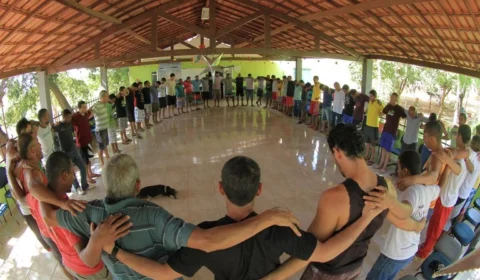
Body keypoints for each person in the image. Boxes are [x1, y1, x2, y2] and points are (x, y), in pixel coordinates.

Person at [98, 156, 383, 280]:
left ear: (220, 189)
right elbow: (328, 250)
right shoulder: (282, 229)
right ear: (259, 189)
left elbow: (162, 273)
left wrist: (115, 251)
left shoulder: (204, 237)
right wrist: (364, 219)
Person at [40, 153, 303, 279]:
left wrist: (44, 190)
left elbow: (48, 216)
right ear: (138, 186)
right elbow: (206, 241)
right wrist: (266, 218)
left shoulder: (88, 212)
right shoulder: (155, 217)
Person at [268, 124, 389, 280]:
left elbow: (309, 250)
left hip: (326, 274)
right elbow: (407, 219)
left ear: (337, 152)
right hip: (354, 270)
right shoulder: (386, 188)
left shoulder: (335, 198)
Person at [10, 134, 87, 275]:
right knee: (66, 259)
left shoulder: (26, 166)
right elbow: (33, 189)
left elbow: (21, 199)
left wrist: (9, 170)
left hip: (46, 226)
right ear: (32, 150)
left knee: (64, 257)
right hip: (50, 226)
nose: (41, 145)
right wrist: (62, 203)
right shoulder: (31, 173)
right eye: (38, 143)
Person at [35, 151, 113, 279]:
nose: (74, 175)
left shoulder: (43, 201)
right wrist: (97, 238)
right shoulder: (69, 211)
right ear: (64, 175)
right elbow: (88, 258)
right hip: (89, 270)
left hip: (70, 263)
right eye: (72, 171)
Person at [364, 150, 439, 280]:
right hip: (410, 250)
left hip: (395, 253)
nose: (397, 172)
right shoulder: (428, 189)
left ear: (405, 171)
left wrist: (387, 203)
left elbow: (403, 215)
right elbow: (439, 188)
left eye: (398, 168)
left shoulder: (411, 193)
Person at [416, 124, 470, 258]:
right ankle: (424, 247)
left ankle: (423, 253)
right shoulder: (461, 154)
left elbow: (457, 170)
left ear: (460, 137)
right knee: (432, 225)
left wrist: (448, 160)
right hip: (443, 196)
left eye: (456, 134)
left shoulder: (460, 160)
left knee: (435, 229)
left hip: (446, 199)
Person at [5, 140, 51, 252]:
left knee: (42, 226)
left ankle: (49, 244)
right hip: (28, 206)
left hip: (32, 203)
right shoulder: (13, 167)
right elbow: (20, 197)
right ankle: (47, 246)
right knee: (38, 229)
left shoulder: (20, 164)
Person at [53, 109, 90, 195]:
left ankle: (84, 185)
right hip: (66, 153)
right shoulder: (59, 126)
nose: (70, 119)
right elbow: (51, 128)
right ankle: (77, 187)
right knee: (71, 171)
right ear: (64, 117)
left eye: (70, 117)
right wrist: (54, 125)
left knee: (82, 166)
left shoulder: (70, 124)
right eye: (68, 117)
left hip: (74, 150)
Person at [375, 93, 406, 173]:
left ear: (396, 99)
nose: (391, 99)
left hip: (392, 132)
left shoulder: (399, 109)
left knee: (388, 150)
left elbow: (405, 116)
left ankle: (384, 166)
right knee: (383, 148)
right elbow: (382, 113)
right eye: (391, 97)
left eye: (393, 98)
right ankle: (380, 164)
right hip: (385, 129)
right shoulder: (388, 106)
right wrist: (378, 105)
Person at [454, 135, 480, 223]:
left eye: (472, 142)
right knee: (454, 214)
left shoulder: (472, 155)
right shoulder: (475, 155)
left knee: (452, 216)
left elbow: (472, 169)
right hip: (463, 190)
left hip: (462, 191)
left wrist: (466, 158)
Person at [72, 101, 99, 183]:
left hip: (88, 140)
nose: (85, 108)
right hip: (81, 142)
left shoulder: (86, 114)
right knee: (85, 161)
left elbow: (91, 111)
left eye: (85, 106)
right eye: (83, 107)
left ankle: (90, 173)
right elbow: (69, 121)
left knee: (89, 159)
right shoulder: (75, 117)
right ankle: (87, 177)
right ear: (79, 108)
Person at [363, 90, 383, 165]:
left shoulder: (378, 103)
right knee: (367, 142)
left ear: (375, 96)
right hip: (367, 124)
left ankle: (372, 158)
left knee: (373, 143)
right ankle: (367, 155)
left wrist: (380, 115)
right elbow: (366, 111)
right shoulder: (369, 103)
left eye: (371, 96)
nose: (370, 97)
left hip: (374, 126)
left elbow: (384, 110)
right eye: (369, 95)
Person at [92, 90, 111, 165]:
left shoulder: (104, 104)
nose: (108, 98)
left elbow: (111, 101)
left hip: (105, 128)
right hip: (99, 130)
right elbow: (90, 114)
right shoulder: (96, 106)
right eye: (107, 97)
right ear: (102, 97)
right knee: (101, 147)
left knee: (105, 144)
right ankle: (102, 163)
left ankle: (108, 158)